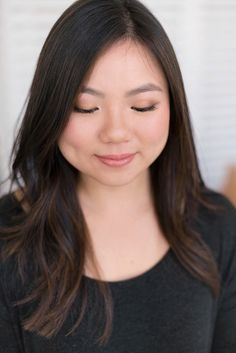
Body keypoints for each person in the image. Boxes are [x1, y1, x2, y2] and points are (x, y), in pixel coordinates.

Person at [0, 0, 235, 352]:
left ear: (172, 107)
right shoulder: (8, 237)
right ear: (51, 108)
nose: (116, 132)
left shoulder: (218, 224)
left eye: (142, 106)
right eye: (85, 107)